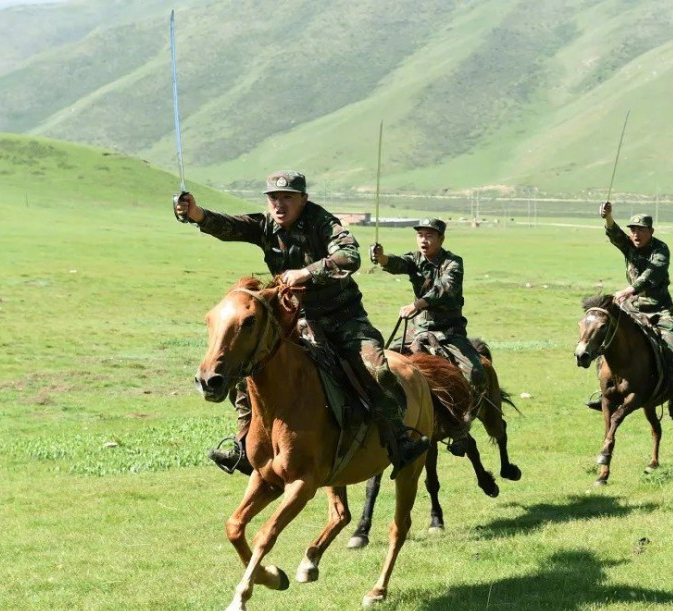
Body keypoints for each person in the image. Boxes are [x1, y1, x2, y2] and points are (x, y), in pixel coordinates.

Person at [173, 170, 429, 476]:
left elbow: (350, 256)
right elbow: (229, 226)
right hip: (294, 320)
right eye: (273, 198)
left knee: (377, 370)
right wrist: (196, 213)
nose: (279, 205)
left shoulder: (323, 223)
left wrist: (306, 272)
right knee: (245, 367)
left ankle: (398, 438)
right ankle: (244, 445)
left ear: (303, 199)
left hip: (342, 318)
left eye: (287, 198)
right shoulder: (267, 224)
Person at [593, 201, 673, 420]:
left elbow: (652, 273)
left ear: (651, 231)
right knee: (605, 340)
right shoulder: (628, 245)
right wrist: (608, 216)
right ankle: (604, 392)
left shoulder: (661, 249)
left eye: (641, 230)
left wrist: (630, 289)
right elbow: (614, 234)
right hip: (631, 309)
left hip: (659, 310)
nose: (636, 234)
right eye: (633, 230)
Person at [371, 218, 487, 401]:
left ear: (441, 239)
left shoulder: (453, 262)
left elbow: (444, 288)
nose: (423, 240)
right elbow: (397, 263)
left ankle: (467, 416)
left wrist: (416, 305)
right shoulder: (414, 259)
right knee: (385, 364)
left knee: (475, 374)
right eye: (420, 235)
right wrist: (381, 258)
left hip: (449, 331)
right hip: (417, 329)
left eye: (429, 236)